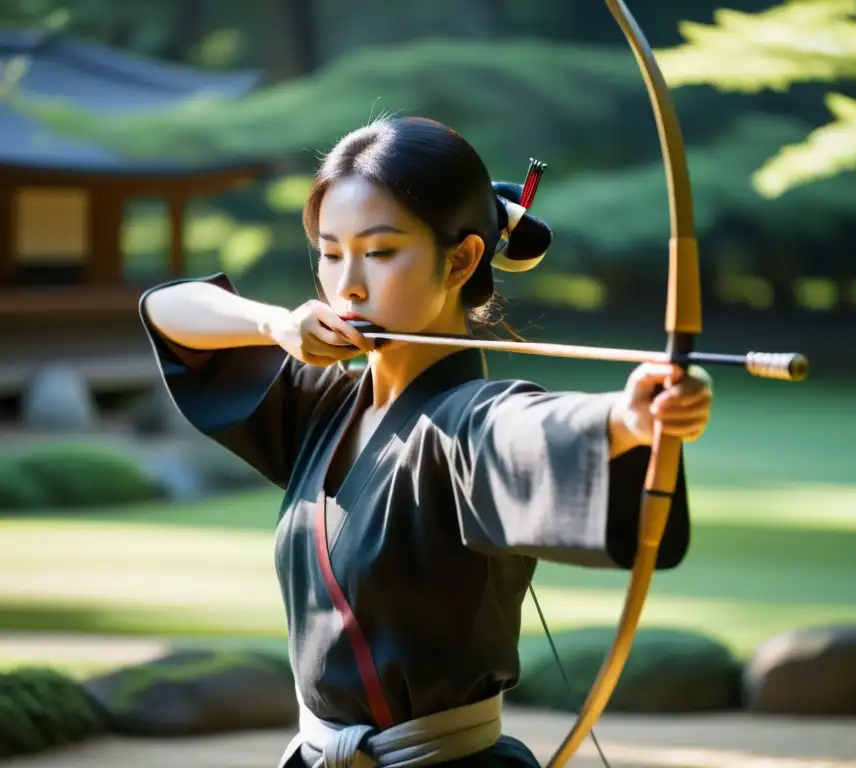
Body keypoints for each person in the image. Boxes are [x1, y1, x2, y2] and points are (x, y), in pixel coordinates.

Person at [140, 116, 713, 768]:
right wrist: (274, 324)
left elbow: (531, 429)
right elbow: (170, 314)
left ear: (463, 258)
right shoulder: (319, 408)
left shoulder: (469, 421)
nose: (348, 283)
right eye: (330, 253)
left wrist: (630, 418)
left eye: (380, 252)